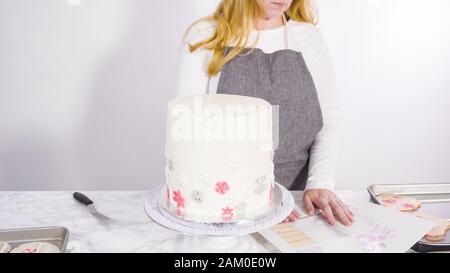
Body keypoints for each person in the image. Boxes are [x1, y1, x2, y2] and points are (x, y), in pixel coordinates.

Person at [176, 0, 353, 226]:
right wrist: (249, 198)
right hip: (226, 207)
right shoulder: (206, 36)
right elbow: (187, 132)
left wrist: (320, 183)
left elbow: (328, 120)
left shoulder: (308, 37)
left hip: (298, 208)